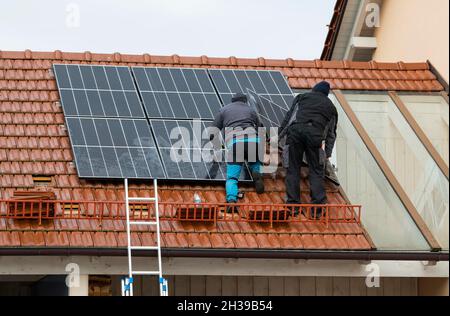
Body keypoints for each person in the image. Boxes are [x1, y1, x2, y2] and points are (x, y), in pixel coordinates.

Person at [279, 81, 338, 218]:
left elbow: (289, 118)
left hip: (295, 134)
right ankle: (317, 208)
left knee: (292, 168)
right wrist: (327, 153)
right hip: (315, 137)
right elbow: (331, 134)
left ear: (314, 90)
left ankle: (293, 206)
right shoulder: (331, 107)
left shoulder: (302, 97)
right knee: (316, 171)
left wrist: (278, 136)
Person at [210, 93, 265, 213]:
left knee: (232, 177)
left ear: (232, 101)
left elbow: (213, 130)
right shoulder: (251, 110)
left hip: (235, 143)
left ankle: (231, 201)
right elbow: (260, 126)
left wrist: (215, 145)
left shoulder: (224, 110)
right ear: (245, 101)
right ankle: (256, 173)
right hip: (253, 140)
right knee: (255, 160)